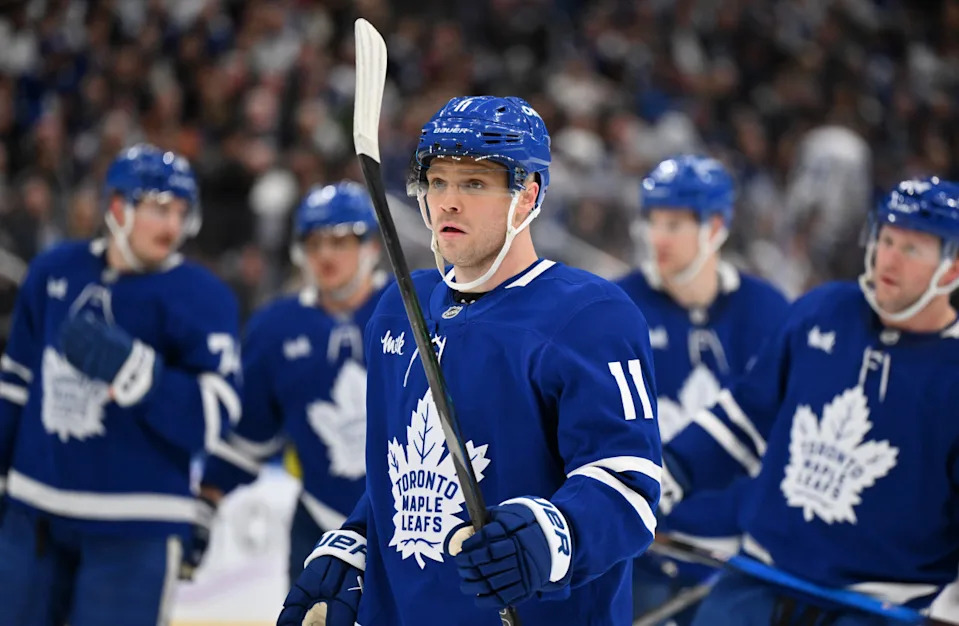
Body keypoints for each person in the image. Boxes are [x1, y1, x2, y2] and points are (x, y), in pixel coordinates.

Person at [277, 95, 663, 626]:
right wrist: (357, 541)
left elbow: (629, 484)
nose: (447, 203)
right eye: (437, 182)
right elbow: (401, 472)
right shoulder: (399, 307)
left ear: (527, 195)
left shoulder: (591, 314)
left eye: (474, 184)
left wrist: (553, 534)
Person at [661, 177, 959, 625]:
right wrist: (662, 475)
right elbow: (744, 417)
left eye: (912, 249)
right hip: (761, 577)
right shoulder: (823, 311)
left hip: (882, 608)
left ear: (952, 269)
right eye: (886, 239)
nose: (887, 259)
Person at [0, 144, 242, 626]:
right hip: (33, 520)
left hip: (136, 528)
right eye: (157, 208)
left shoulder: (203, 296)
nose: (171, 226)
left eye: (180, 212)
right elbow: (14, 388)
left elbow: (212, 421)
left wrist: (137, 372)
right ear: (117, 209)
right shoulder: (53, 271)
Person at [616, 155, 789, 623]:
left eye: (674, 223)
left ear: (715, 227)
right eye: (652, 221)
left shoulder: (768, 310)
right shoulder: (616, 304)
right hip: (644, 548)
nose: (658, 238)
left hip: (741, 557)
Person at [197, 181, 389, 586]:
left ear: (371, 246)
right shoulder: (275, 328)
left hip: (413, 518)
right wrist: (208, 498)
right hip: (321, 523)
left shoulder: (411, 309)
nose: (326, 255)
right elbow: (251, 431)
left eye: (340, 241)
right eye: (315, 242)